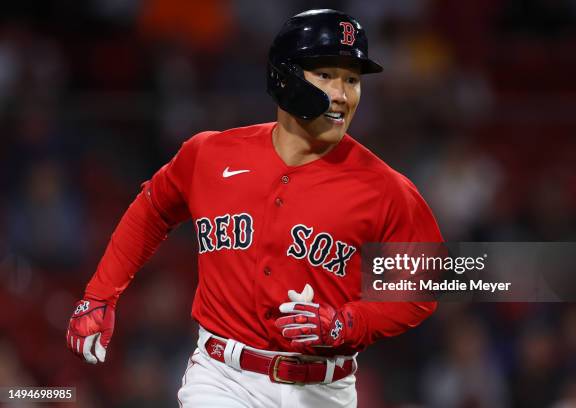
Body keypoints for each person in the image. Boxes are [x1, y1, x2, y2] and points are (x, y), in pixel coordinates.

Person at [66, 9, 442, 407]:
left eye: (352, 79)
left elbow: (429, 282)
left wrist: (349, 321)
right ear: (285, 76)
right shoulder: (209, 155)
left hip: (324, 390)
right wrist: (100, 294)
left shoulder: (384, 187)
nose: (342, 94)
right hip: (223, 379)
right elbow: (152, 209)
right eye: (326, 75)